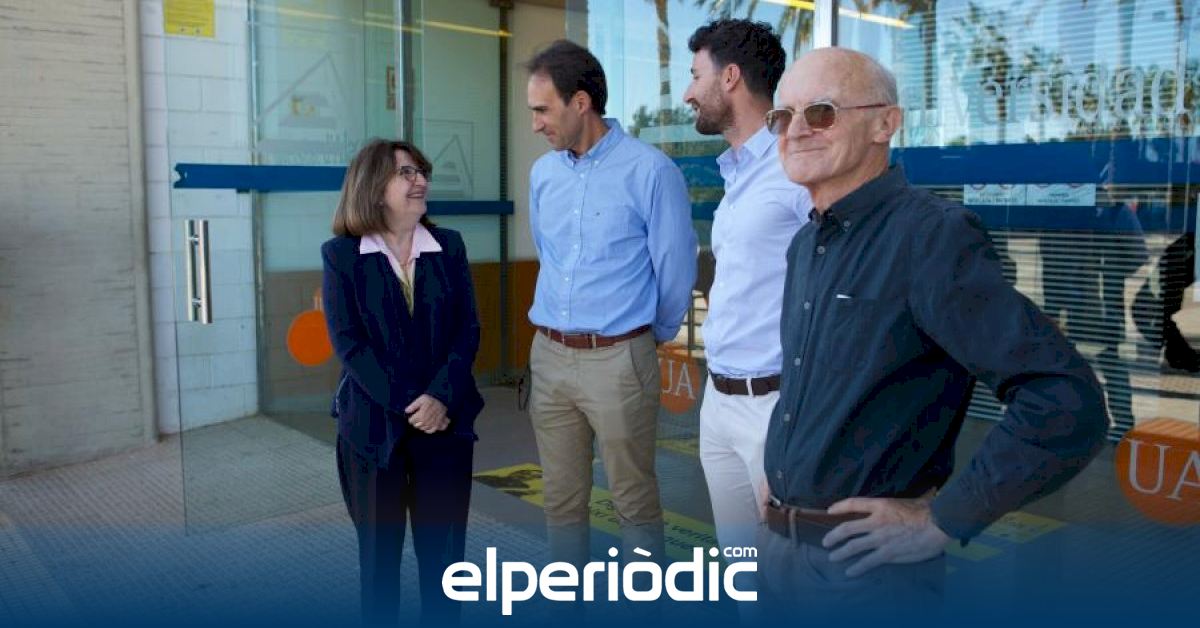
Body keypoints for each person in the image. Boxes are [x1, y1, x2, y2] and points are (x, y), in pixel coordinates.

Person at [757, 47, 1109, 613]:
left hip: (861, 575)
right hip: (781, 546)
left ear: (885, 123)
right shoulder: (807, 244)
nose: (796, 130)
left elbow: (1064, 399)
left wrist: (945, 518)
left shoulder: (930, 238)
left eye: (821, 112)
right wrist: (783, 476)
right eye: (783, 116)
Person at [524, 40, 697, 568]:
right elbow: (550, 255)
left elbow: (675, 267)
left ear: (581, 103)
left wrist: (645, 337)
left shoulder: (651, 171)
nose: (535, 124)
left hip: (620, 359)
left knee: (634, 502)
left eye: (542, 110)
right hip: (549, 356)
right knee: (560, 502)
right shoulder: (543, 174)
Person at [321, 138, 483, 625]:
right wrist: (413, 403)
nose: (421, 181)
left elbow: (467, 330)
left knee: (445, 567)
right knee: (379, 567)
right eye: (406, 173)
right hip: (372, 433)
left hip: (445, 428)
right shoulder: (342, 256)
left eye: (421, 172)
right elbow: (350, 344)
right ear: (374, 187)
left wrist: (440, 397)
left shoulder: (448, 246)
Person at [681, 19, 811, 556]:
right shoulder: (736, 173)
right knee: (741, 568)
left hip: (774, 407)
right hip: (719, 401)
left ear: (730, 77)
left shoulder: (795, 169)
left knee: (789, 570)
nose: (688, 93)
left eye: (696, 76)